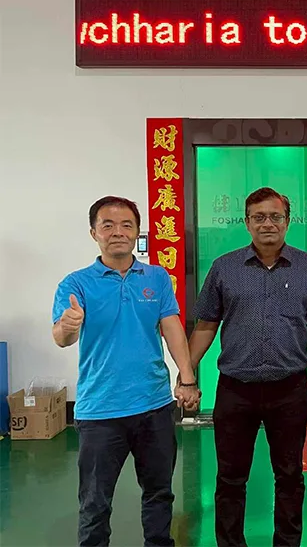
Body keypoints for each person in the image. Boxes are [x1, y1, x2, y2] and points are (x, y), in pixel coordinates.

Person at [188, 187, 307, 547]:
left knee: (290, 475)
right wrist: (187, 375)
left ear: (287, 221)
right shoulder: (224, 268)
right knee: (230, 477)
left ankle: (287, 542)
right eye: (259, 217)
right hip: (235, 389)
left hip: (290, 389)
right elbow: (206, 324)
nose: (267, 223)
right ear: (247, 222)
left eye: (275, 217)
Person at [52, 196, 199, 547]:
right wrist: (68, 325)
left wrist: (188, 377)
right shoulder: (75, 284)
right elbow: (61, 337)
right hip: (100, 412)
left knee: (159, 493)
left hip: (154, 407)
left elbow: (172, 327)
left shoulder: (157, 278)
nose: (117, 232)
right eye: (108, 225)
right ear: (94, 233)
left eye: (126, 225)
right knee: (95, 502)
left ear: (137, 232)